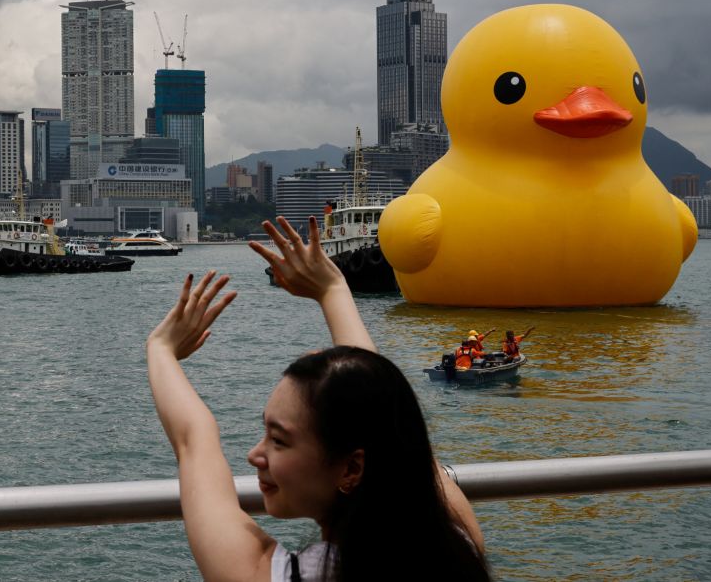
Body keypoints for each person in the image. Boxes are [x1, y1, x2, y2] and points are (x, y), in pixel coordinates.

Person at [147, 215, 490, 581]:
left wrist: (160, 347)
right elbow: (384, 410)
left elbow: (194, 439)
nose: (254, 455)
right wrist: (333, 290)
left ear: (352, 469)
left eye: (279, 440)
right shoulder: (458, 543)